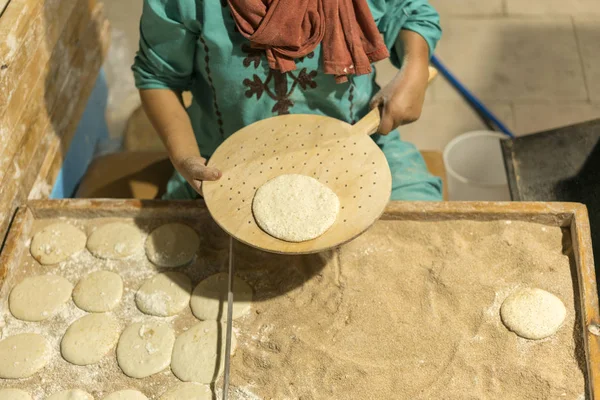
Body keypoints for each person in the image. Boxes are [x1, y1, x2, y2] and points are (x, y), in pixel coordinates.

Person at [132, 0, 442, 201]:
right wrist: (186, 157)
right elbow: (158, 77)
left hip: (357, 149)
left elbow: (410, 12)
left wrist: (414, 67)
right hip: (227, 167)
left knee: (417, 239)